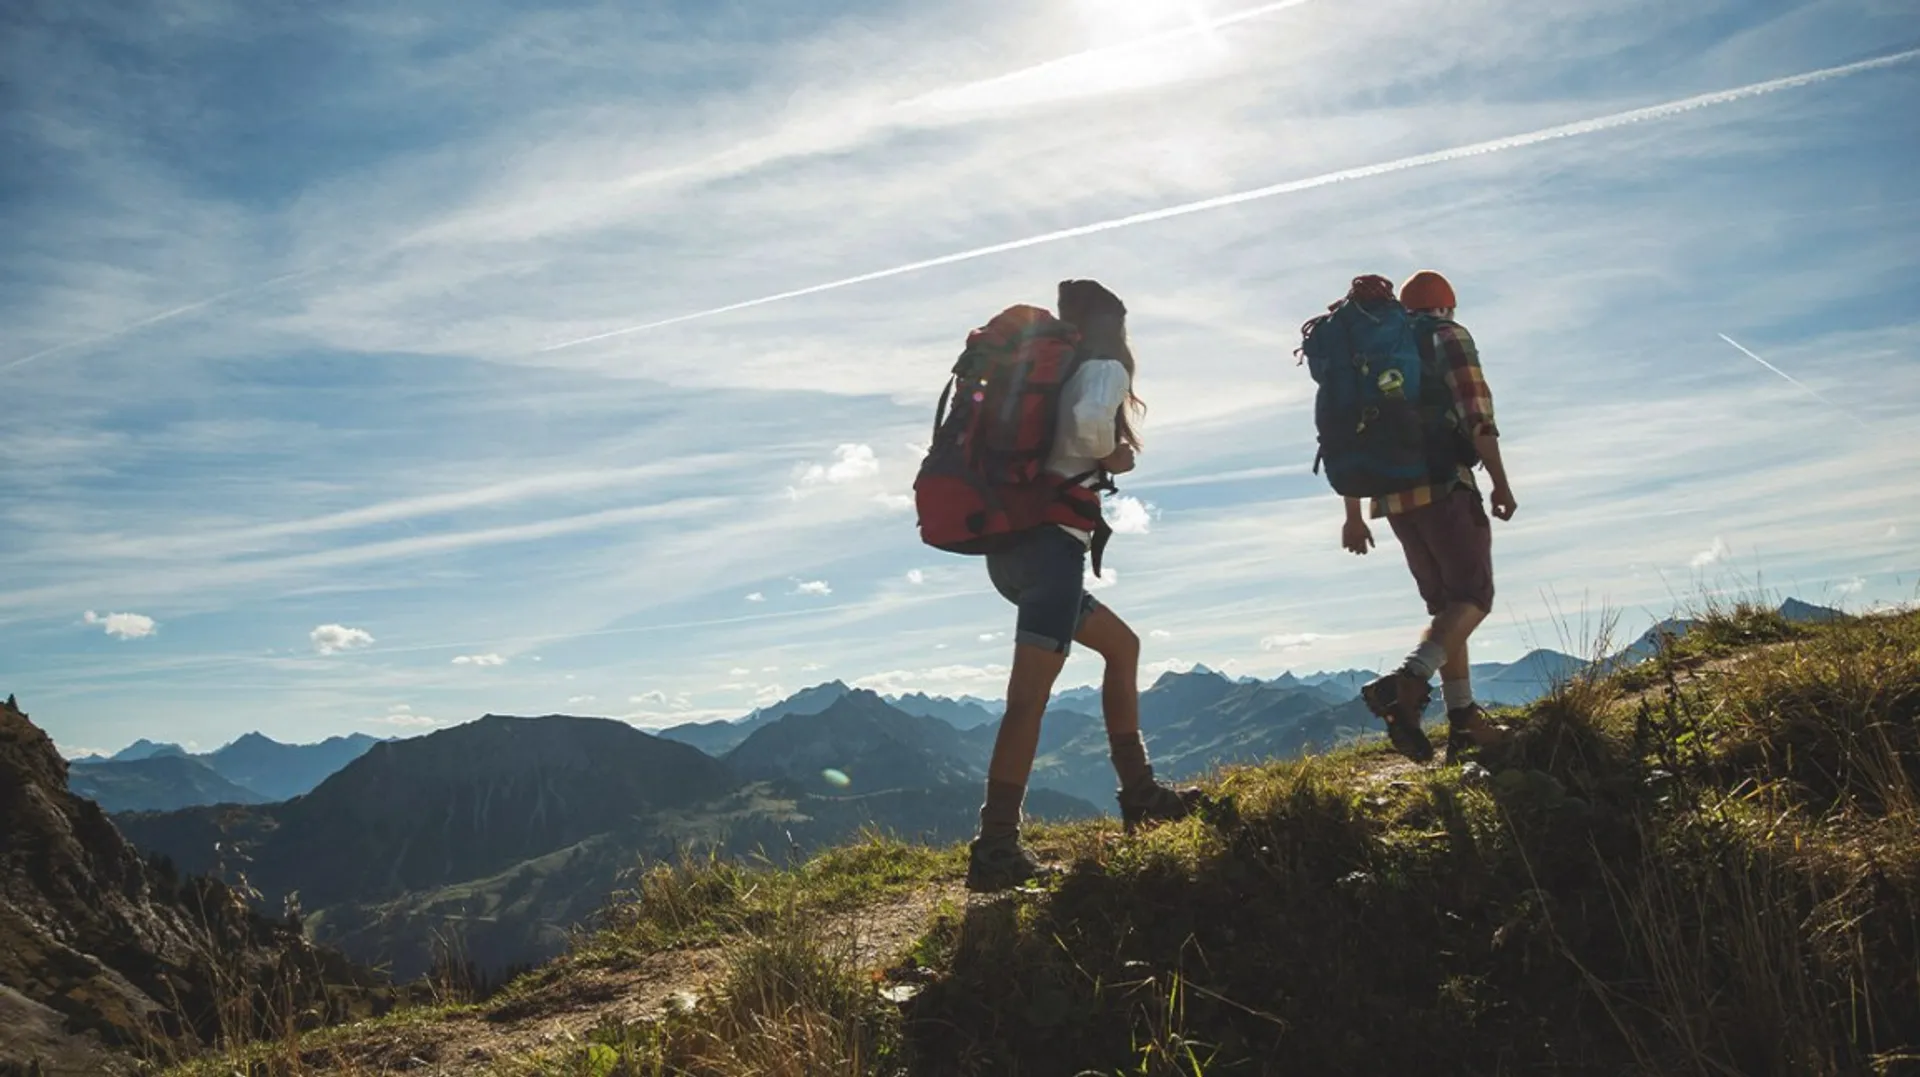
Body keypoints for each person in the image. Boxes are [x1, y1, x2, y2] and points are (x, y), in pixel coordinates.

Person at [967, 278, 1201, 892]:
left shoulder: (1052, 367)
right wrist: (1112, 457)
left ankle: (1140, 793)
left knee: (1122, 648)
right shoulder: (1102, 367)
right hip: (1051, 552)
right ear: (1115, 325)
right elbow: (1089, 423)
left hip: (1014, 550)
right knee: (1028, 701)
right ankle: (996, 846)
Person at [1341, 270, 1515, 764]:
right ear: (1448, 307)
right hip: (1443, 484)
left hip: (1391, 498)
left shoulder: (1369, 356)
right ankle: (1408, 680)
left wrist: (1353, 514)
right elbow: (1477, 412)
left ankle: (1463, 720)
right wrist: (1500, 481)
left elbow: (1345, 435)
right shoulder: (1448, 337)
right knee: (1474, 598)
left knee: (1446, 608)